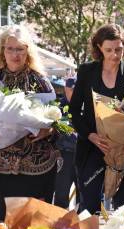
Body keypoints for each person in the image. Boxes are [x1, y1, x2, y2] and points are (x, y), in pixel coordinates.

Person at [0, 25, 57, 221]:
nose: (15, 54)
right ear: (2, 51)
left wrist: (48, 130)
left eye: (20, 49)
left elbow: (61, 123)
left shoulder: (40, 81)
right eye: (10, 49)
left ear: (28, 52)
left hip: (33, 169)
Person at [69, 23, 124, 214]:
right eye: (109, 50)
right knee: (88, 210)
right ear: (99, 48)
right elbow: (74, 110)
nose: (114, 55)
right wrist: (91, 135)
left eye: (119, 49)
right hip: (92, 148)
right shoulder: (86, 72)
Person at [53, 76, 78, 209]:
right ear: (66, 89)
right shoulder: (57, 108)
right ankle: (60, 224)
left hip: (81, 156)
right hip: (64, 155)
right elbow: (61, 131)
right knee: (61, 192)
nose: (74, 92)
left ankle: (83, 225)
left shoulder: (84, 106)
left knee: (84, 194)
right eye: (71, 89)